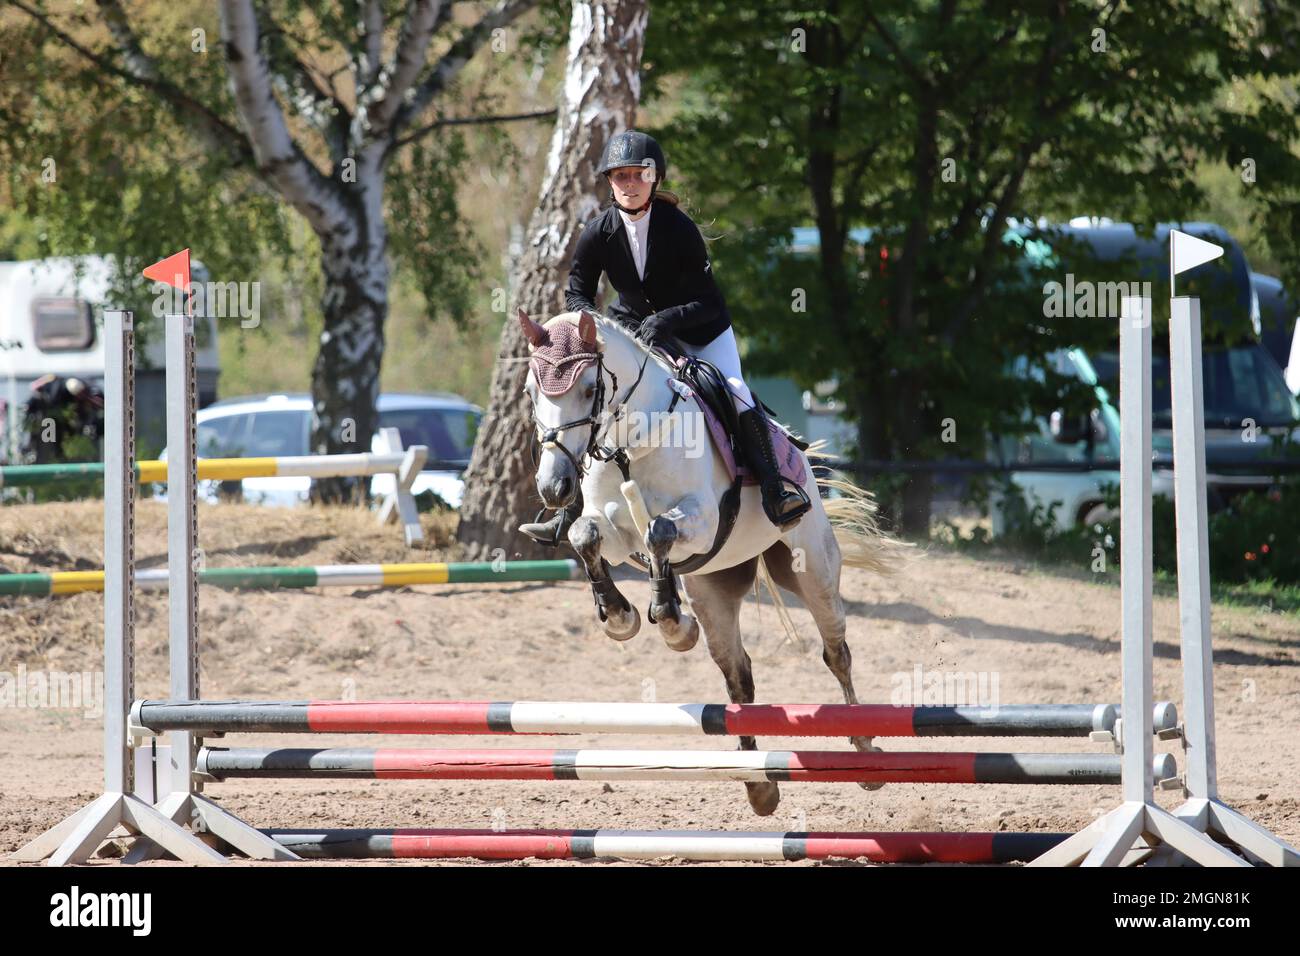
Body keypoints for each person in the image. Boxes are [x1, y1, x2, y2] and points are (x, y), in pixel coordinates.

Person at [520, 129, 810, 547]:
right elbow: (577, 291)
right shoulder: (598, 232)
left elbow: (708, 301)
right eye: (621, 176)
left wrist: (666, 320)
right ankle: (571, 511)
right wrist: (592, 326)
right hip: (636, 333)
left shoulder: (678, 228)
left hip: (700, 332)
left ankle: (775, 490)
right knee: (597, 401)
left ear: (655, 178)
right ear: (610, 182)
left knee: (735, 391)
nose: (630, 183)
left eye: (639, 174)